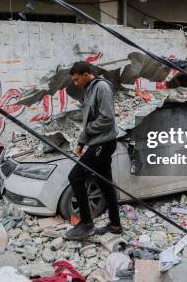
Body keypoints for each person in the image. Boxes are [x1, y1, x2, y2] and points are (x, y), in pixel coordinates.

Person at [65, 61, 121, 240]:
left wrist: (87, 132)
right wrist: (81, 141)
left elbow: (107, 119)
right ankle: (115, 225)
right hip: (97, 142)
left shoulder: (102, 87)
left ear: (86, 74)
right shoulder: (90, 89)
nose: (75, 83)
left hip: (103, 144)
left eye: (76, 79)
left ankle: (87, 224)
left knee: (75, 177)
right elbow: (89, 118)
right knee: (105, 184)